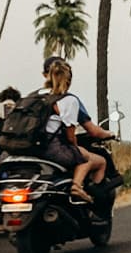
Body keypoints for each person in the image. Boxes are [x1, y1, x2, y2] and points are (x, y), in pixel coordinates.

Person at [39, 59, 108, 202]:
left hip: (33, 147)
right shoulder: (69, 100)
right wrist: (76, 149)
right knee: (93, 159)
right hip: (53, 148)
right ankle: (78, 187)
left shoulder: (36, 96)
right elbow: (71, 137)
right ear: (68, 79)